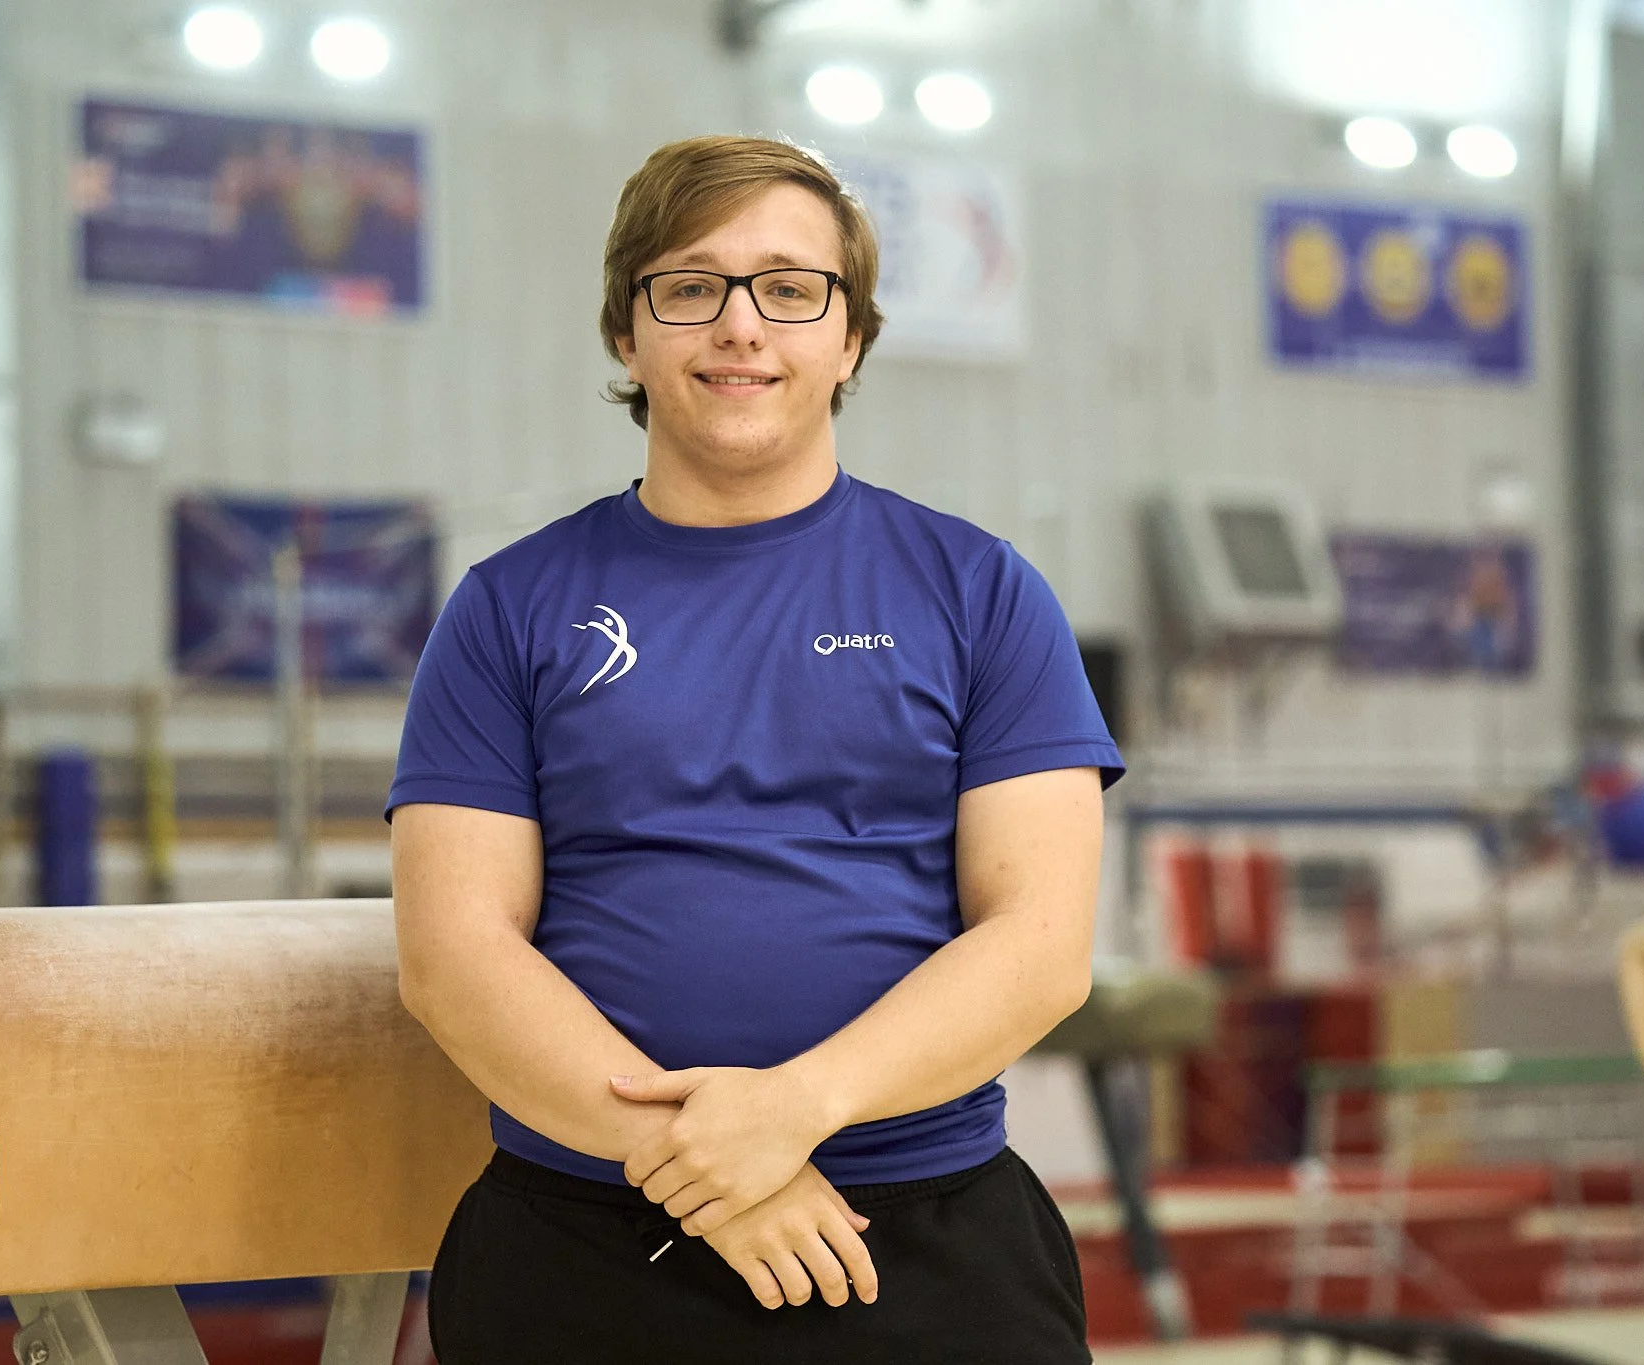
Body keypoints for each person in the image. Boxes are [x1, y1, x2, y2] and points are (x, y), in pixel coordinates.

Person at [386, 134, 1123, 1365]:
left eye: (789, 288)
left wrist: (789, 1114)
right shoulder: (509, 607)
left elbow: (1038, 947)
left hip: (921, 1231)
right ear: (628, 333)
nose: (741, 326)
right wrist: (711, 1172)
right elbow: (455, 958)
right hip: (585, 1242)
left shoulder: (980, 592)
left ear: (849, 339)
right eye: (690, 286)